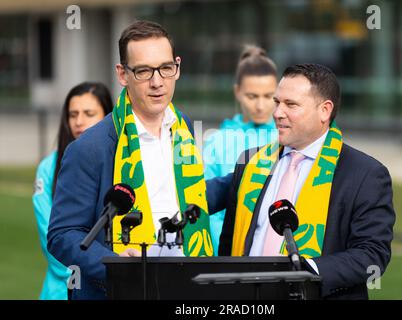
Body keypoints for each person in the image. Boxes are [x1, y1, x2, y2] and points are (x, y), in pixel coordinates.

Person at [47, 20, 229, 300]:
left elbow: (189, 198)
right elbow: (63, 235)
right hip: (120, 290)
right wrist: (117, 263)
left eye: (166, 68)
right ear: (122, 74)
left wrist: (243, 178)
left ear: (177, 67)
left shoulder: (184, 127)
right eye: (144, 71)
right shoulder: (89, 148)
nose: (157, 82)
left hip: (184, 286)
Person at [219, 63, 395, 300]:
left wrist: (307, 271)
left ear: (325, 110)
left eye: (291, 104)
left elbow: (372, 254)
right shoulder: (251, 162)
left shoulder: (366, 174)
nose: (277, 113)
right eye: (277, 102)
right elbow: (228, 244)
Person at [32, 82, 113, 300]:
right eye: (73, 114)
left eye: (89, 113)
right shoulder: (48, 168)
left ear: (107, 115)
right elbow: (52, 237)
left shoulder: (121, 162)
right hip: (61, 289)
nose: (79, 121)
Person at [203, 45, 278, 254]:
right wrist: (228, 254)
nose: (261, 106)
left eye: (268, 95)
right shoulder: (217, 142)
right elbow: (208, 207)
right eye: (252, 96)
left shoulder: (288, 137)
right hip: (229, 251)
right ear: (237, 92)